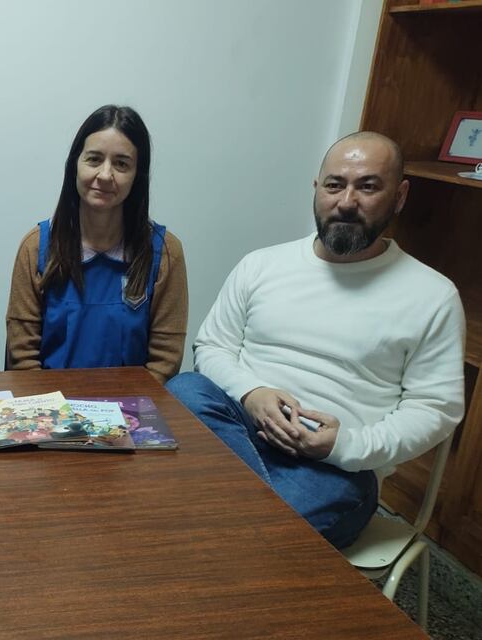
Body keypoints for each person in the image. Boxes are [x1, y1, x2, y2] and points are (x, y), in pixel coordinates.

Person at [166, 132, 465, 548]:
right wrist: (252, 393)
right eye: (335, 184)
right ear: (316, 189)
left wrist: (344, 445)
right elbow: (212, 346)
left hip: (334, 470)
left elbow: (435, 409)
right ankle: (226, 536)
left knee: (227, 522)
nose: (346, 202)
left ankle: (207, 530)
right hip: (237, 429)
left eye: (368, 186)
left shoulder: (433, 296)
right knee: (185, 388)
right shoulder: (262, 266)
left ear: (399, 196)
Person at [5, 105, 188, 382]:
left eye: (121, 164)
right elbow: (23, 358)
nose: (105, 175)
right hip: (50, 412)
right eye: (94, 159)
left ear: (138, 176)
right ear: (74, 165)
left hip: (133, 413)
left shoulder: (164, 253)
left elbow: (164, 361)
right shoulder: (36, 248)